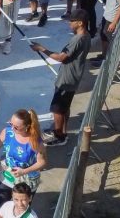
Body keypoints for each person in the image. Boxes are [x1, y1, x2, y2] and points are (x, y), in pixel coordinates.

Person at [29, 12, 91, 147]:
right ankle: (63, 132)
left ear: (80, 23)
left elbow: (61, 57)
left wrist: (41, 48)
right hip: (73, 77)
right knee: (64, 107)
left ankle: (59, 136)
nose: (70, 24)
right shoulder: (87, 36)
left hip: (67, 79)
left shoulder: (78, 39)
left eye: (72, 21)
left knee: (57, 108)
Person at [0, 109, 46, 212]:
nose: (12, 128)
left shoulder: (35, 141)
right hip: (8, 174)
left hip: (26, 178)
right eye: (11, 123)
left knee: (20, 208)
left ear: (27, 126)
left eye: (16, 127)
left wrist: (24, 171)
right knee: (0, 203)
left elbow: (42, 162)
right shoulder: (7, 132)